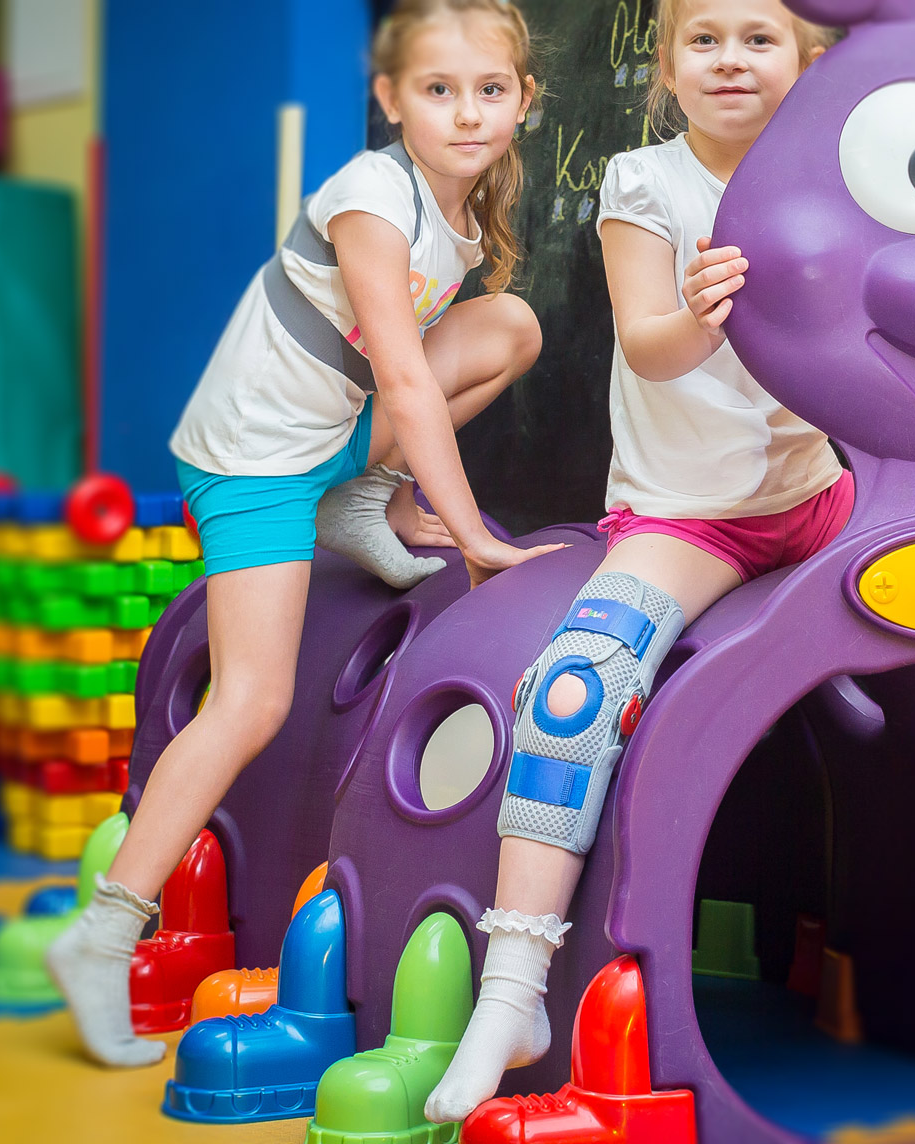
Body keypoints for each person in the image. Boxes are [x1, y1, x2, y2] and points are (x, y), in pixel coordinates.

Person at [47, 0, 560, 1068]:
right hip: (256, 459)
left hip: (329, 439)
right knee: (252, 700)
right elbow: (405, 381)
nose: (467, 114)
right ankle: (101, 933)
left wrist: (392, 487)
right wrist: (470, 534)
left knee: (510, 325)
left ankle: (359, 499)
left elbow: (416, 361)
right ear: (390, 99)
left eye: (489, 91)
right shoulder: (372, 196)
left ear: (524, 100)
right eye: (438, 91)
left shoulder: (458, 208)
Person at [424, 0, 847, 1119]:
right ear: (664, 64)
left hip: (820, 493)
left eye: (757, 38)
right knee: (576, 687)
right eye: (702, 39)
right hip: (690, 518)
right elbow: (651, 345)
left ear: (806, 59)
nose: (729, 60)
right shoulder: (644, 182)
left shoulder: (841, 176)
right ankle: (512, 990)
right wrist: (704, 315)